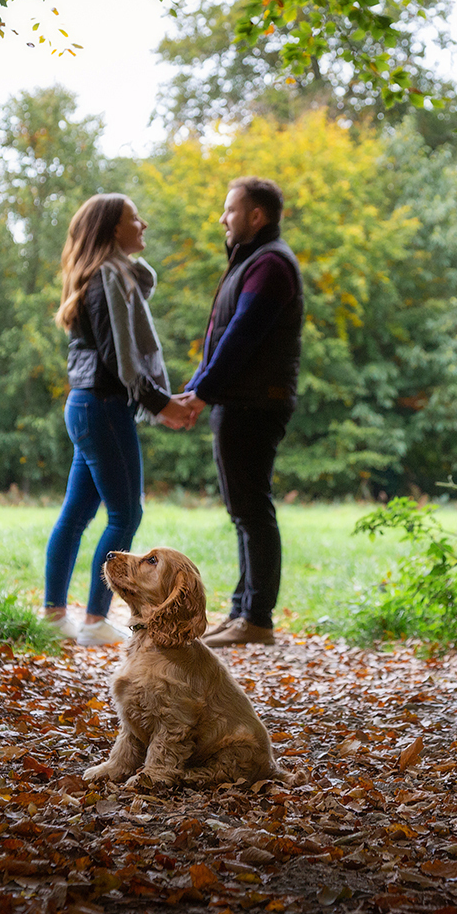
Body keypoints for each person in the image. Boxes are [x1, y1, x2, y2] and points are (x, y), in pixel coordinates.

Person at [43, 194, 193, 645]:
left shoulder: (108, 277)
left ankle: (54, 619)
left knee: (77, 513)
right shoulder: (109, 277)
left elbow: (116, 356)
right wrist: (160, 402)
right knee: (126, 513)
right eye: (134, 218)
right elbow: (119, 358)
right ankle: (93, 621)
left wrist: (159, 399)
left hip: (88, 405)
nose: (143, 223)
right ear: (112, 229)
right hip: (103, 406)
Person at [175, 177, 303, 647]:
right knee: (244, 509)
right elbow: (221, 342)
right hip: (241, 398)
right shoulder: (252, 262)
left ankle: (257, 619)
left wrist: (201, 393)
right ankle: (242, 612)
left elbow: (242, 337)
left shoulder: (270, 265)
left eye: (230, 210)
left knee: (252, 509)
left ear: (257, 216)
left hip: (256, 401)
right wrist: (192, 391)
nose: (223, 219)